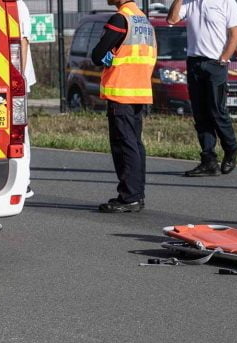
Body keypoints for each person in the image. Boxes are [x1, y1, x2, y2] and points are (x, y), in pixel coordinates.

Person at [91, 0, 157, 213]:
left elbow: (97, 55)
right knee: (135, 144)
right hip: (140, 89)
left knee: (124, 145)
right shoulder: (143, 20)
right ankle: (136, 194)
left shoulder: (120, 18)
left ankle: (129, 197)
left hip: (122, 89)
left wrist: (107, 56)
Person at [167, 0, 237, 176]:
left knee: (216, 111)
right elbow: (172, 19)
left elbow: (234, 33)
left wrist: (223, 59)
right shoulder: (190, 3)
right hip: (194, 62)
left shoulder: (226, 2)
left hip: (215, 64)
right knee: (200, 114)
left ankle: (231, 148)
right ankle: (208, 160)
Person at [18, 0, 37, 198]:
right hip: (3, 77)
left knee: (19, 130)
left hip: (14, 80)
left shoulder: (17, 5)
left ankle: (24, 181)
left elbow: (23, 41)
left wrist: (18, 78)